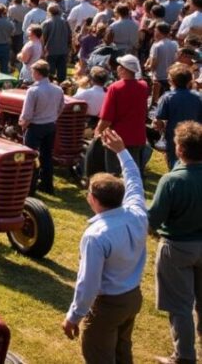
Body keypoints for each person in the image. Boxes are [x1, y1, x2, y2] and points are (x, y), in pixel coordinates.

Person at [62, 129, 146, 364]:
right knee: (122, 350)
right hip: (132, 297)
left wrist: (73, 316)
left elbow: (88, 283)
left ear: (93, 199)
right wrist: (122, 151)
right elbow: (134, 179)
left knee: (99, 354)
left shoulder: (96, 236)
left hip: (108, 304)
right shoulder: (137, 213)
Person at [148, 121, 202, 364]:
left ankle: (184, 356)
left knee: (180, 305)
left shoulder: (172, 181)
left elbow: (154, 218)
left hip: (177, 247)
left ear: (179, 149)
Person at [95, 54, 151, 174]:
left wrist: (98, 132)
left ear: (123, 69)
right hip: (137, 136)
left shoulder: (115, 88)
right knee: (132, 171)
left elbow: (106, 118)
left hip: (116, 137)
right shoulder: (143, 86)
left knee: (114, 173)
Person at [20, 60, 66, 194]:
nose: (31, 74)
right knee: (46, 156)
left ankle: (30, 187)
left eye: (33, 72)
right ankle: (47, 185)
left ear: (37, 73)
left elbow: (27, 114)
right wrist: (53, 117)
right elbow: (61, 107)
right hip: (50, 126)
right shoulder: (58, 89)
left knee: (31, 157)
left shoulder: (33, 91)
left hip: (35, 127)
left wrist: (23, 125)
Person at [153, 64, 202, 170]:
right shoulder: (198, 97)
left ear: (171, 81)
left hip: (174, 137)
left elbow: (159, 120)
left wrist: (158, 126)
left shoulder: (167, 97)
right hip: (196, 136)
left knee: (174, 163)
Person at [42, 4, 73, 81]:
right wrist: (69, 47)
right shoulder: (65, 22)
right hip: (63, 50)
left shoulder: (47, 23)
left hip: (51, 51)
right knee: (62, 72)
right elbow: (70, 36)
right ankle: (61, 85)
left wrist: (42, 50)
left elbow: (43, 38)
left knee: (50, 72)